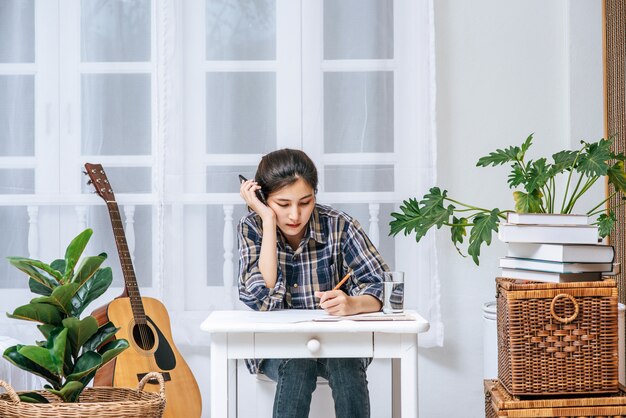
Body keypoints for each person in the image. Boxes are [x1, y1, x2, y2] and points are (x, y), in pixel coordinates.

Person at [237, 148, 388, 418]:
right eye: (282, 205)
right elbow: (261, 297)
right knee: (298, 362)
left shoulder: (339, 225)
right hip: (276, 349)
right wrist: (268, 221)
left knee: (347, 361)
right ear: (262, 198)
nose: (295, 215)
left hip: (337, 344)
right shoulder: (252, 227)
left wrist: (353, 304)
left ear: (315, 196)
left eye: (305, 202)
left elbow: (382, 285)